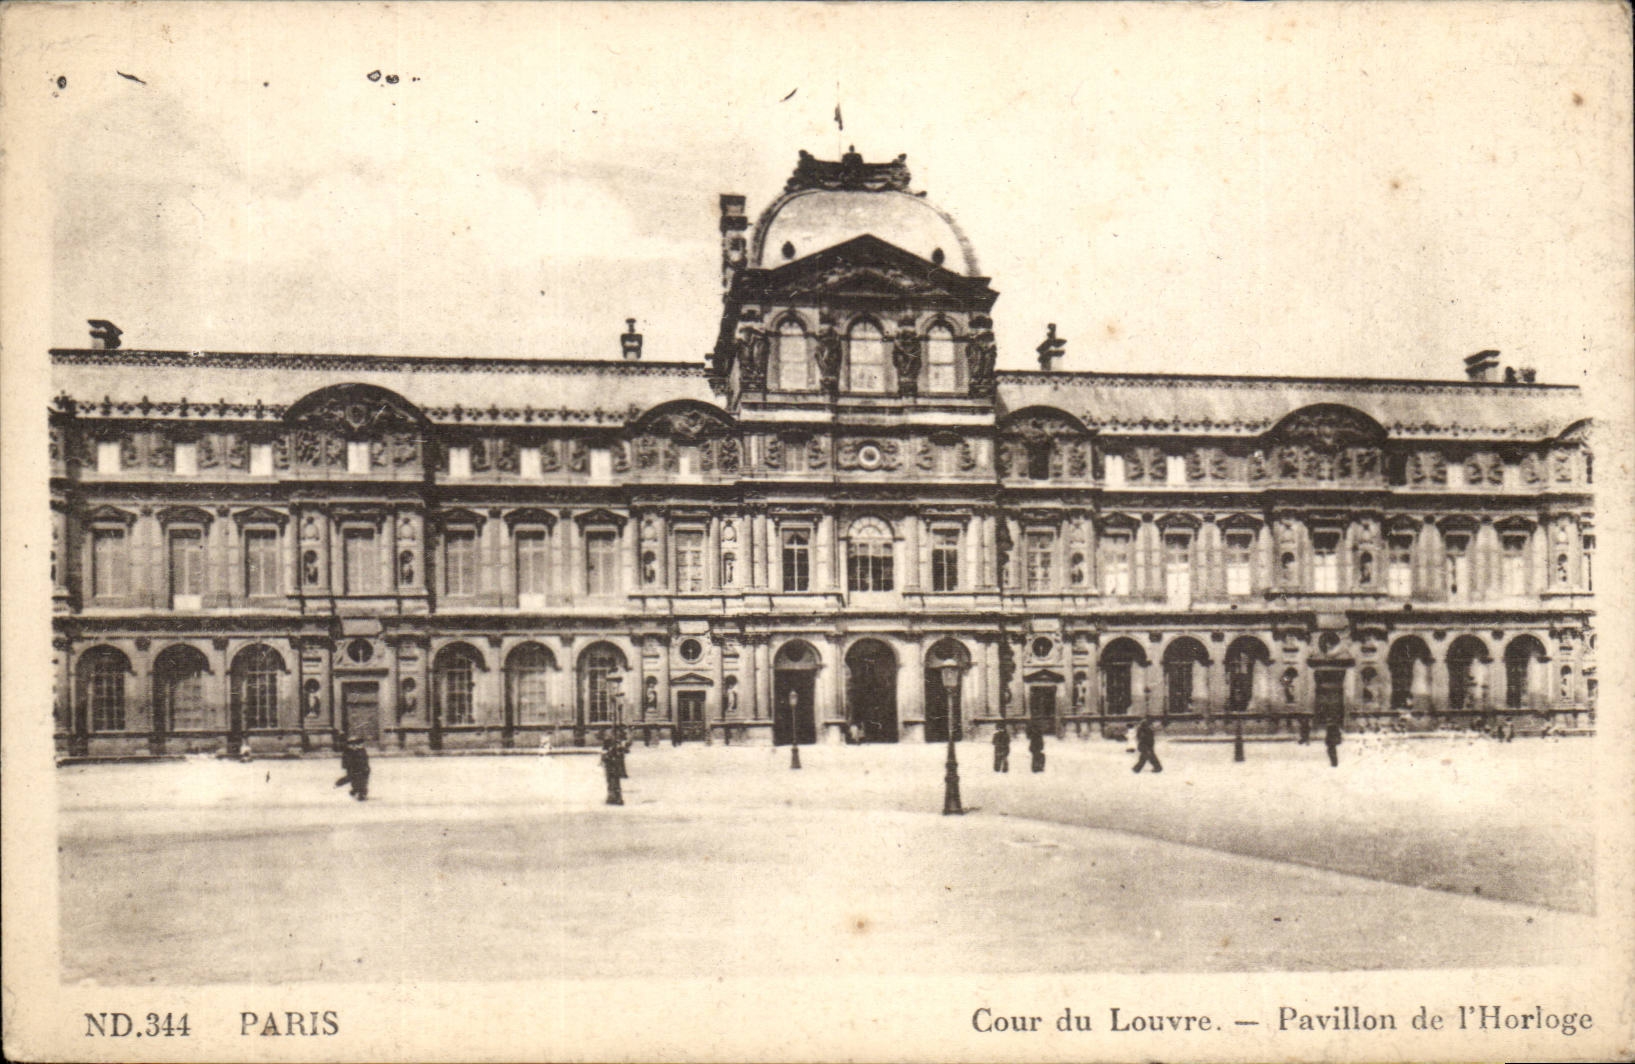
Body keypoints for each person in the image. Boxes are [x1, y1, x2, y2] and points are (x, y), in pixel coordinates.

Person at [601, 735, 624, 806]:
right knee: (614, 783)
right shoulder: (608, 752)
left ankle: (614, 798)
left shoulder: (608, 752)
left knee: (612, 783)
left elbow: (604, 761)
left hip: (612, 770)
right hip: (613, 770)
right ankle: (615, 798)